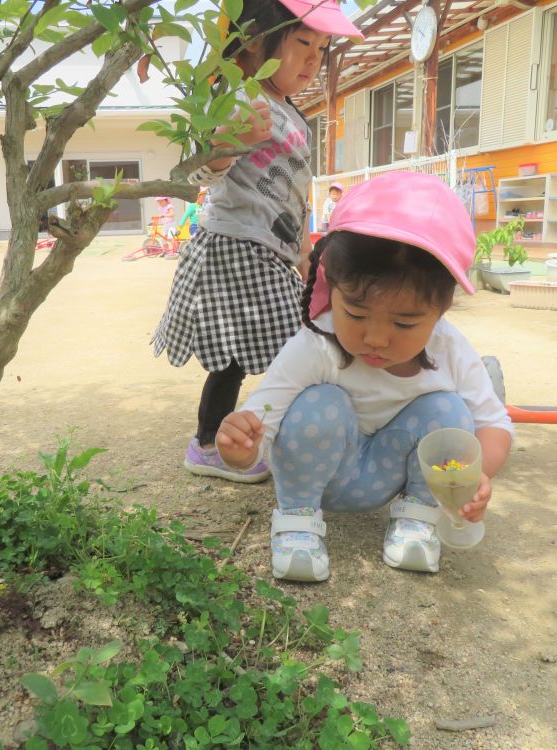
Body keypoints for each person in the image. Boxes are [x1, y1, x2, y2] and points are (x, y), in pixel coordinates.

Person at [215, 172, 514, 581]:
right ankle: (297, 522)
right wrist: (242, 449)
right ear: (330, 286)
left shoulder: (449, 349)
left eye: (405, 323)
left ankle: (417, 520)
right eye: (354, 313)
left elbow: (493, 424)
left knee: (449, 410)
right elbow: (262, 419)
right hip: (321, 478)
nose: (375, 339)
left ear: (442, 308)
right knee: (322, 402)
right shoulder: (317, 342)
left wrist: (478, 475)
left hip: (393, 476)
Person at [151, 0, 363, 483]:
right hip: (233, 246)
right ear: (251, 46)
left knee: (281, 346)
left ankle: (253, 434)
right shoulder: (242, 98)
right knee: (238, 354)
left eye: (322, 49)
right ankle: (208, 445)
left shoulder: (292, 113)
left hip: (272, 249)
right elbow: (199, 171)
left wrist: (308, 253)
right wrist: (225, 142)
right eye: (302, 44)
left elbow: (296, 192)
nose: (313, 60)